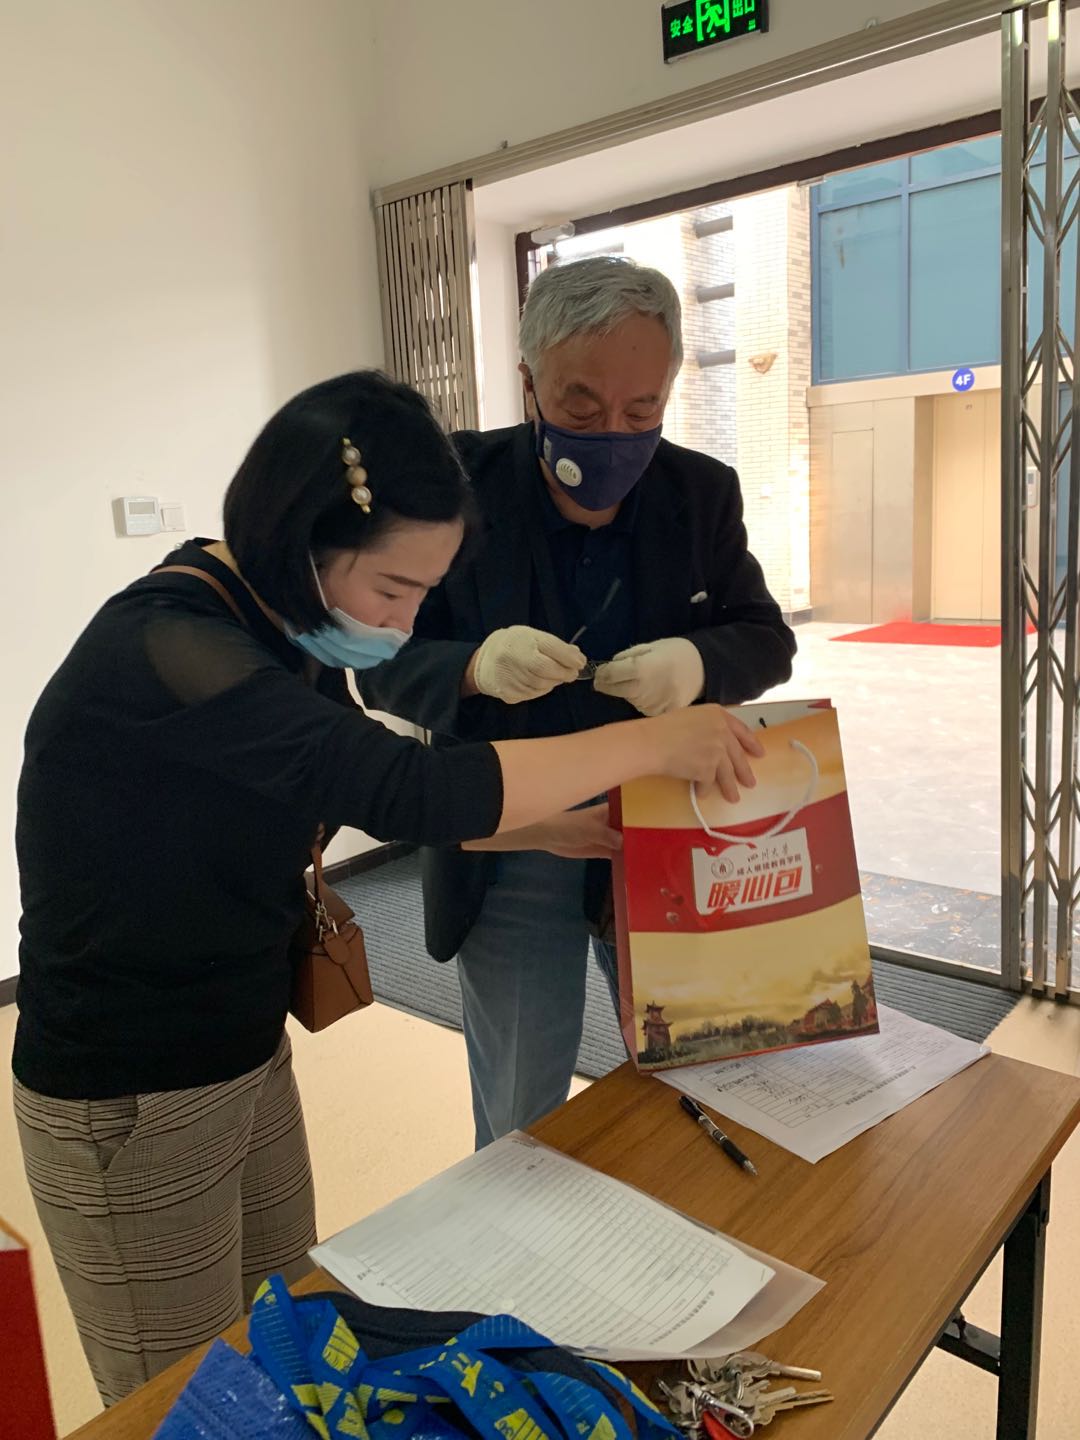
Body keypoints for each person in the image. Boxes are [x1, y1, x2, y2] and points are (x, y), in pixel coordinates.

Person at [11, 371, 763, 1407]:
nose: (406, 628)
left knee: (285, 1347)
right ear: (297, 543)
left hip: (243, 1043)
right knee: (181, 1403)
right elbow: (403, 782)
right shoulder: (174, 650)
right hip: (131, 1086)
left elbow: (352, 779)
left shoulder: (276, 624)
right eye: (394, 592)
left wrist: (544, 830)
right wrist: (657, 740)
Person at [361, 258, 796, 1149]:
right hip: (513, 839)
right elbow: (377, 662)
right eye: (583, 408)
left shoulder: (699, 493)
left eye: (642, 411)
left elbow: (766, 638)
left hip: (664, 834)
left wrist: (696, 663)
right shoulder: (451, 489)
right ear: (529, 383)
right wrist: (474, 668)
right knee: (521, 1110)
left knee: (700, 1081)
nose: (614, 436)